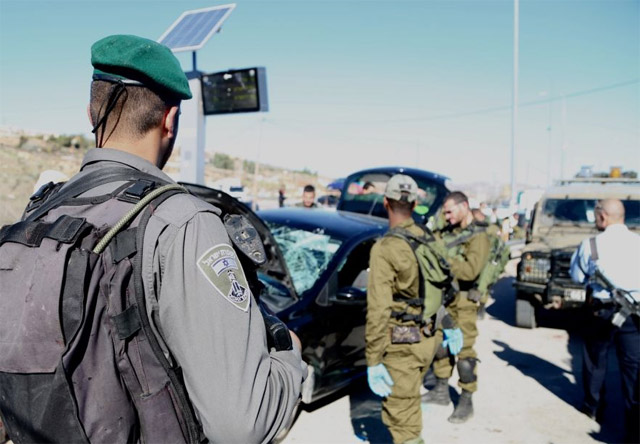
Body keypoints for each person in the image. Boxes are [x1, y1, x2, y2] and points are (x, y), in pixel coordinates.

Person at [0, 35, 305, 444]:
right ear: (170, 120)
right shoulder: (183, 221)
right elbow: (241, 426)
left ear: (91, 113)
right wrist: (289, 359)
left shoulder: (39, 212)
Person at [365, 174, 462, 444]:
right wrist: (450, 324)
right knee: (408, 408)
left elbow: (378, 310)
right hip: (429, 337)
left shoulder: (385, 248)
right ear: (416, 203)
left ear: (385, 202)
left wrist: (373, 360)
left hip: (402, 344)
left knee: (402, 420)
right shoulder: (428, 237)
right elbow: (442, 289)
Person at [569, 199, 639, 442]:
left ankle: (593, 407)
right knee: (632, 368)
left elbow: (577, 276)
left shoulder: (591, 245)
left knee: (595, 361)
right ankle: (633, 423)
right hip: (633, 316)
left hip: (601, 313)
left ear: (602, 217)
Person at [422, 192, 490, 424]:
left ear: (464, 207)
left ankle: (466, 399)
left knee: (464, 355)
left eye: (450, 211)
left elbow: (470, 271)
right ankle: (441, 391)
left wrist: (441, 260)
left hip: (463, 304)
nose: (447, 216)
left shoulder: (478, 237)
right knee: (440, 346)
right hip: (443, 300)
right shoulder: (447, 233)